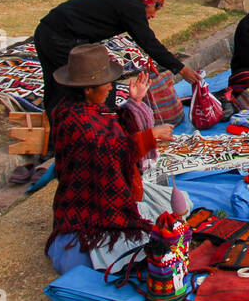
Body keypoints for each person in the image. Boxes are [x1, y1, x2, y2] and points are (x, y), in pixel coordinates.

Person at [45, 43, 178, 275]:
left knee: (176, 205)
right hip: (91, 206)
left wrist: (135, 102)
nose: (109, 87)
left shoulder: (88, 110)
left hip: (114, 192)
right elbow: (108, 151)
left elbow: (114, 129)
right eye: (105, 83)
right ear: (87, 89)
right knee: (144, 242)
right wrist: (151, 135)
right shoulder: (74, 119)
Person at [34, 0, 199, 124]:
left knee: (56, 86)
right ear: (148, 2)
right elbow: (148, 42)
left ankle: (57, 137)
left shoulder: (126, 2)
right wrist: (181, 69)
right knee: (96, 82)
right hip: (59, 38)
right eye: (156, 9)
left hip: (45, 31)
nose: (154, 15)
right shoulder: (132, 7)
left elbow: (147, 41)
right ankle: (103, 129)